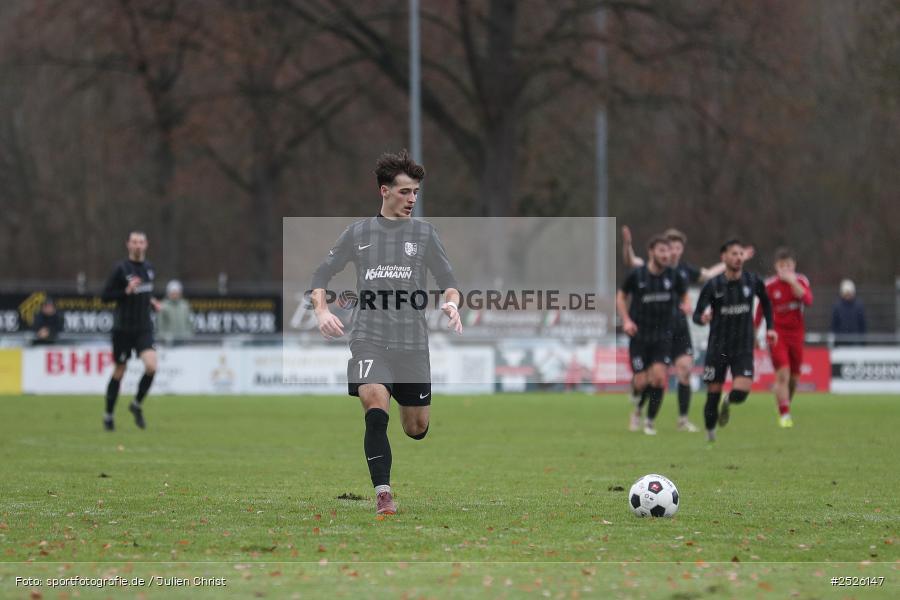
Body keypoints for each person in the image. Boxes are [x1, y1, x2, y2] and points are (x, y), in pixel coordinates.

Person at [309, 150, 462, 516]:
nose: (412, 200)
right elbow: (321, 275)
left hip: (412, 343)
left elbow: (449, 283)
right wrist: (320, 310)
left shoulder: (424, 234)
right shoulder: (358, 233)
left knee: (415, 428)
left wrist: (452, 303)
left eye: (416, 193)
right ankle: (383, 493)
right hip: (369, 339)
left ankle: (408, 429)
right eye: (406, 192)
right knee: (376, 408)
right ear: (384, 191)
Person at [621, 226, 756, 432]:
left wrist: (734, 259)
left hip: (680, 330)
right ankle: (639, 409)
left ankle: (682, 419)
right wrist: (628, 245)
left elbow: (709, 274)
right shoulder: (650, 268)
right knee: (650, 378)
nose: (674, 251)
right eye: (671, 247)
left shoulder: (684, 270)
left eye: (678, 247)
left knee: (684, 370)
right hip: (656, 329)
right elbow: (632, 262)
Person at [693, 239, 776, 442]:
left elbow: (766, 302)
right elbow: (696, 314)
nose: (738, 258)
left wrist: (771, 328)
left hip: (743, 346)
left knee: (742, 391)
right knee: (712, 393)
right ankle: (710, 433)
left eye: (741, 254)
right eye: (734, 254)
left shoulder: (752, 281)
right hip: (717, 347)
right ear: (724, 257)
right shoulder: (713, 285)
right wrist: (702, 319)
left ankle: (728, 401)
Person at [616, 235, 689, 435]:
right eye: (662, 251)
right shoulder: (637, 275)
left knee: (658, 378)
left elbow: (684, 294)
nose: (666, 255)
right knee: (641, 382)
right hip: (639, 336)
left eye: (668, 251)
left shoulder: (674, 276)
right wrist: (626, 320)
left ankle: (649, 421)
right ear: (651, 252)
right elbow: (621, 296)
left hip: (663, 336)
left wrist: (687, 305)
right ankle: (636, 399)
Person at [100, 231, 161, 431]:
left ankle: (136, 405)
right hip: (123, 329)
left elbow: (145, 292)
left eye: (141, 242)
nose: (137, 245)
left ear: (146, 245)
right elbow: (105, 297)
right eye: (134, 242)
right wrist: (125, 291)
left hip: (143, 327)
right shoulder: (120, 269)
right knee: (120, 370)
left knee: (151, 366)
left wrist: (152, 302)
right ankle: (108, 415)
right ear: (128, 245)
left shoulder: (149, 268)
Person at [754, 248, 812, 427]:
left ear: (794, 266)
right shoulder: (769, 285)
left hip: (796, 335)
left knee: (794, 379)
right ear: (776, 267)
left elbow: (808, 300)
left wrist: (793, 283)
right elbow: (760, 310)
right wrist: (754, 332)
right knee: (783, 375)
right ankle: (784, 415)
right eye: (782, 266)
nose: (785, 269)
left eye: (788, 265)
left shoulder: (801, 281)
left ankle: (784, 404)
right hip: (776, 334)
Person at [831, 279, 866, 346]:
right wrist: (835, 341)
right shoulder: (837, 307)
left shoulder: (859, 306)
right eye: (846, 293)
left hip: (856, 342)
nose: (848, 295)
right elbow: (834, 325)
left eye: (849, 293)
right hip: (841, 342)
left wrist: (863, 341)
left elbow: (863, 325)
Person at [158, 279, 193, 345]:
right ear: (168, 293)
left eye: (176, 293)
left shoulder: (185, 306)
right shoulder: (163, 306)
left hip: (184, 340)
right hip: (168, 343)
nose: (175, 295)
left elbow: (190, 323)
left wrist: (189, 335)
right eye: (173, 293)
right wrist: (164, 337)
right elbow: (160, 326)